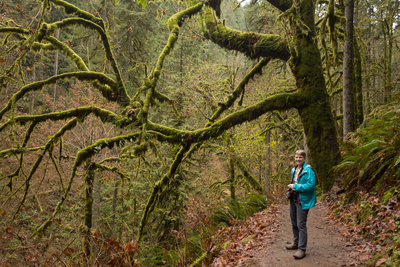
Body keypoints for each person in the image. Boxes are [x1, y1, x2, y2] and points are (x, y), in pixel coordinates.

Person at [285, 149, 316, 260]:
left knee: (301, 224)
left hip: (303, 200)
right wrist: (290, 189)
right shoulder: (294, 169)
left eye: (300, 157)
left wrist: (296, 187)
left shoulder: (308, 171)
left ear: (304, 158)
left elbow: (310, 185)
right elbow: (294, 182)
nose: (298, 159)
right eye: (296, 157)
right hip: (293, 199)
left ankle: (302, 249)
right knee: (294, 223)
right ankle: (296, 243)